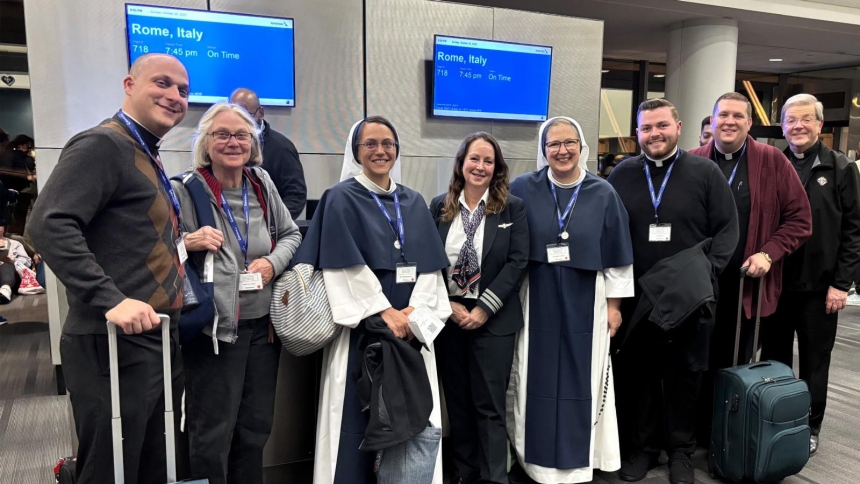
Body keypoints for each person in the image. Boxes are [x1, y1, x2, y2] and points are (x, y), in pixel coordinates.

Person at [27, 53, 190, 484]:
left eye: (183, 90)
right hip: (113, 342)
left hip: (153, 335)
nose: (174, 96)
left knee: (150, 462)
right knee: (110, 468)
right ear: (129, 85)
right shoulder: (104, 144)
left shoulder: (144, 151)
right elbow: (48, 224)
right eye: (162, 83)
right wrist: (111, 300)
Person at [292, 116, 451, 484]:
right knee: (353, 420)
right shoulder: (340, 197)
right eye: (370, 144)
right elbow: (341, 265)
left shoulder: (412, 202)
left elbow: (429, 268)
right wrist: (383, 311)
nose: (380, 151)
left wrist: (414, 314)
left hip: (409, 334)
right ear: (357, 151)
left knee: (411, 423)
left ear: (397, 150)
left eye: (388, 143)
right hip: (363, 332)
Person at [608, 99, 738, 484]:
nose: (655, 134)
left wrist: (705, 273)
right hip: (637, 297)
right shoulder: (621, 175)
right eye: (647, 128)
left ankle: (681, 451)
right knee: (639, 375)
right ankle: (642, 450)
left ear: (678, 127)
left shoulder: (705, 172)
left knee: (686, 375)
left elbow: (728, 229)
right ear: (637, 134)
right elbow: (609, 232)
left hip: (689, 298)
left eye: (662, 125)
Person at [171, 103, 301, 484]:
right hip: (216, 331)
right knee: (212, 432)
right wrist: (187, 241)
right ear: (206, 143)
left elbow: (291, 234)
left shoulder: (260, 182)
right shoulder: (186, 188)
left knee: (256, 427)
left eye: (242, 135)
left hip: (264, 327)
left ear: (253, 141)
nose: (233, 142)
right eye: (222, 135)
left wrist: (272, 264)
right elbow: (158, 249)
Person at [507, 117, 635, 484]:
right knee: (534, 372)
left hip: (588, 296)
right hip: (536, 293)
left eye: (569, 143)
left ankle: (584, 458)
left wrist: (614, 307)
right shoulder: (523, 188)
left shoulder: (603, 192)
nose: (562, 150)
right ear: (543, 150)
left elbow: (617, 255)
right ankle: (533, 460)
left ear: (582, 147)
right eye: (553, 144)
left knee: (586, 374)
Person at [688, 92, 812, 440]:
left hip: (744, 287)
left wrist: (769, 254)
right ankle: (691, 434)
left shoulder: (772, 161)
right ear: (711, 122)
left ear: (749, 123)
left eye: (737, 116)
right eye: (722, 115)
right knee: (695, 360)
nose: (729, 122)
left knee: (734, 362)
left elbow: (800, 219)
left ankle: (726, 436)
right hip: (698, 286)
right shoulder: (694, 160)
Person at [760, 93, 860, 456]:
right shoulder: (772, 163)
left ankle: (808, 426)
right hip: (776, 283)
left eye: (805, 119)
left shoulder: (840, 168)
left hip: (821, 288)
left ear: (820, 124)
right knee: (775, 357)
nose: (797, 126)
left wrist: (841, 283)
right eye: (790, 120)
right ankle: (774, 419)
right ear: (782, 126)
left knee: (816, 362)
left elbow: (854, 229)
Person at [429, 132, 529, 484]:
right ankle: (465, 473)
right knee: (458, 402)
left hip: (494, 318)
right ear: (461, 163)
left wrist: (484, 308)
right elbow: (430, 262)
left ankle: (493, 477)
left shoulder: (511, 207)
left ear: (497, 168)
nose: (480, 166)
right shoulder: (440, 206)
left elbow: (518, 262)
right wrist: (449, 303)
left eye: (488, 161)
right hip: (450, 317)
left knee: (489, 405)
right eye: (474, 158)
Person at [230, 88, 307, 219]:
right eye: (235, 115)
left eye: (247, 115)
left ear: (261, 112)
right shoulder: (225, 145)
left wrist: (271, 224)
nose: (241, 122)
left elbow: (296, 197)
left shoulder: (282, 148)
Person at [0, 224, 34, 303]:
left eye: (1, 225)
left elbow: (27, 261)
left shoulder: (15, 243)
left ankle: (5, 289)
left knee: (7, 266)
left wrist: (14, 261)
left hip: (13, 276)